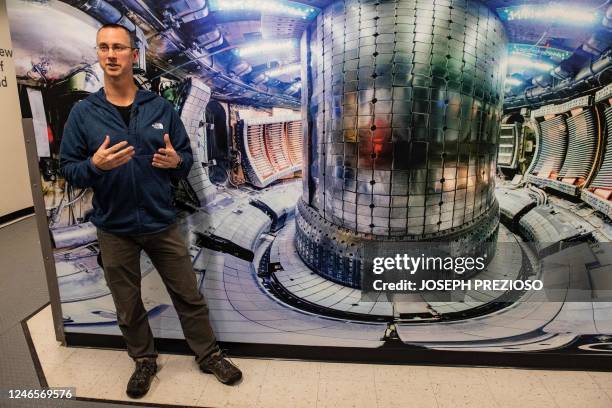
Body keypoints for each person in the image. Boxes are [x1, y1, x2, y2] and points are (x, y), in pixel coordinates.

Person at [59, 23, 242, 398]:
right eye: (104, 48)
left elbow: (186, 156)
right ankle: (144, 360)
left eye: (119, 48)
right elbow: (69, 169)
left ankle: (207, 355)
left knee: (188, 295)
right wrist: (95, 165)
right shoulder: (85, 114)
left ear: (132, 54)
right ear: (99, 53)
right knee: (127, 305)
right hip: (114, 227)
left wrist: (177, 160)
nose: (111, 55)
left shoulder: (159, 108)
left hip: (161, 222)